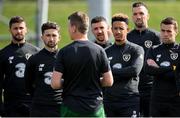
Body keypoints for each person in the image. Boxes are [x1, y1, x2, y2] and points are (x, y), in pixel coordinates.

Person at [51, 11, 113, 117]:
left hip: (71, 109)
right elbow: (109, 81)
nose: (69, 30)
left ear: (74, 28)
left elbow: (55, 83)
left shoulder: (64, 52)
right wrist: (90, 82)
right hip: (95, 108)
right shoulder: (99, 51)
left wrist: (72, 82)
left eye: (69, 27)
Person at [104, 13, 144, 117]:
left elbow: (134, 70)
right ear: (111, 30)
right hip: (109, 101)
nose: (118, 31)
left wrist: (110, 72)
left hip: (129, 100)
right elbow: (100, 74)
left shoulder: (136, 49)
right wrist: (124, 72)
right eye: (115, 28)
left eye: (121, 28)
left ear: (128, 29)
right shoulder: (105, 52)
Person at [0, 16, 39, 117]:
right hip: (11, 105)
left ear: (26, 29)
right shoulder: (3, 54)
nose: (19, 31)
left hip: (32, 103)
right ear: (10, 30)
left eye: (21, 28)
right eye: (15, 28)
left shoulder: (36, 52)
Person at [127, 2, 161, 117]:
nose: (138, 16)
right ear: (132, 17)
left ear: (148, 16)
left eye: (141, 13)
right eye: (135, 14)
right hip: (132, 90)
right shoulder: (127, 37)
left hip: (151, 89)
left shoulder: (156, 37)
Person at [24, 21, 62, 117]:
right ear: (42, 37)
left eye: (54, 35)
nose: (51, 38)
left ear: (59, 37)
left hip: (61, 107)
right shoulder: (34, 59)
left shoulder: (65, 57)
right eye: (48, 35)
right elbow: (28, 84)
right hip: (39, 108)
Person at [144, 17, 180, 117]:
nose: (165, 34)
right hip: (157, 100)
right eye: (163, 30)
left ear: (176, 32)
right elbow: (148, 70)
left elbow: (177, 74)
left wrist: (158, 68)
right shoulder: (153, 50)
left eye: (169, 31)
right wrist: (173, 68)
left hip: (175, 100)